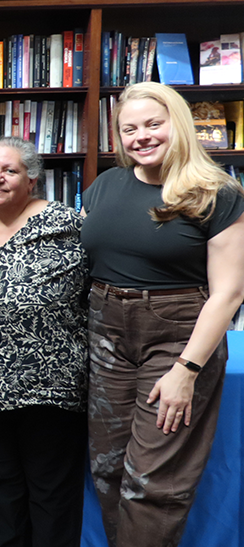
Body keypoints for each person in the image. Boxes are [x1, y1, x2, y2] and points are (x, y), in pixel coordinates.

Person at [82, 81, 244, 547]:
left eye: (154, 124)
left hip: (176, 335)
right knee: (109, 469)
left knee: (152, 482)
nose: (142, 136)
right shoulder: (104, 186)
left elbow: (228, 294)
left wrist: (186, 370)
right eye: (129, 128)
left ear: (179, 124)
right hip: (105, 330)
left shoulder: (217, 193)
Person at [0, 137, 88, 547]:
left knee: (50, 489)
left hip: (51, 383)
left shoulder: (67, 224)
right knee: (3, 484)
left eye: (9, 170)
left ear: (31, 179)